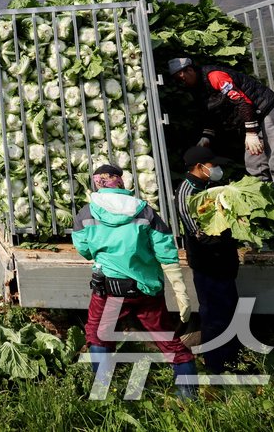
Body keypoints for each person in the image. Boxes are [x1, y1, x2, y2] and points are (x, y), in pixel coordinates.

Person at [72, 163, 198, 399]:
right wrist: (180, 291)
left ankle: (102, 392)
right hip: (146, 289)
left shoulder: (86, 213)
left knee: (99, 334)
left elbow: (84, 249)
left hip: (109, 289)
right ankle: (189, 397)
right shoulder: (145, 211)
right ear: (120, 182)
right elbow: (166, 251)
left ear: (97, 184)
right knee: (166, 339)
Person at [166, 57, 274, 196]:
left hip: (269, 110)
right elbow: (212, 112)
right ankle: (265, 202)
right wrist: (206, 136)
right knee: (254, 164)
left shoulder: (215, 76)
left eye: (182, 79)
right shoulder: (197, 88)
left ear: (190, 70)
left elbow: (242, 102)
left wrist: (251, 133)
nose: (181, 83)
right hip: (253, 118)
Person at [176, 143, 242, 372]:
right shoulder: (187, 191)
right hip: (208, 262)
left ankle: (233, 359)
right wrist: (227, 232)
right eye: (212, 165)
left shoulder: (209, 185)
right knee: (214, 315)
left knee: (230, 310)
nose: (216, 169)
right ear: (199, 167)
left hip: (223, 261)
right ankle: (216, 365)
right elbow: (199, 233)